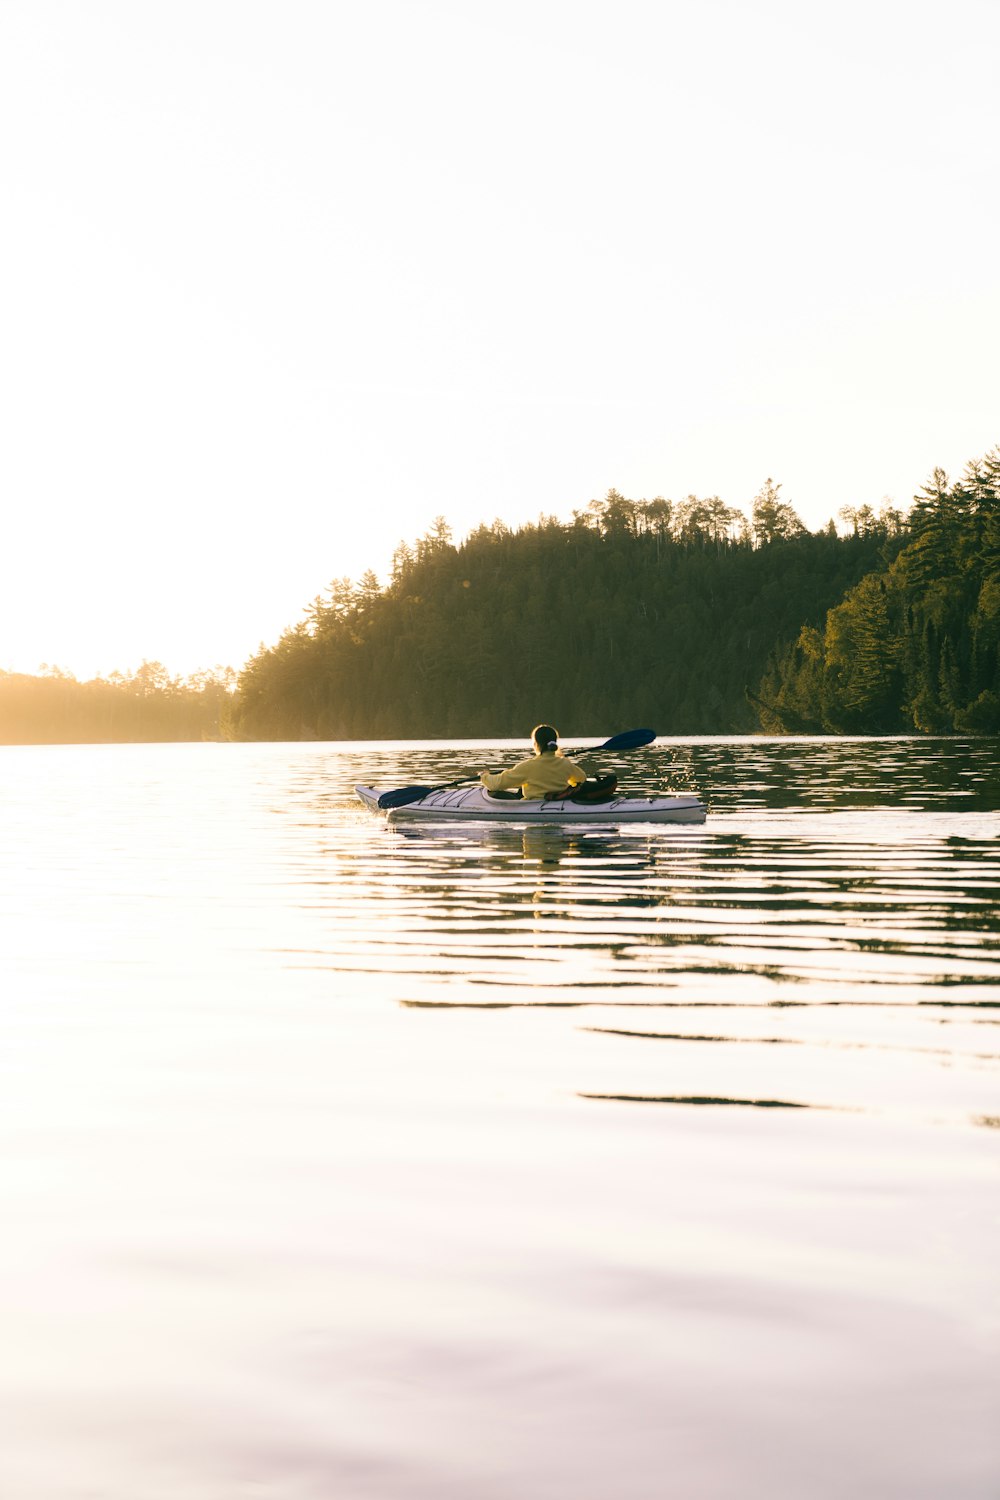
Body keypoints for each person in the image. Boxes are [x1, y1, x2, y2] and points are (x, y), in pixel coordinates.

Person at [480, 725, 587, 801]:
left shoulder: (528, 766)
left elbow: (496, 784)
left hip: (532, 807)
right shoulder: (565, 763)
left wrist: (484, 776)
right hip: (558, 802)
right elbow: (581, 778)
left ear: (536, 744)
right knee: (520, 789)